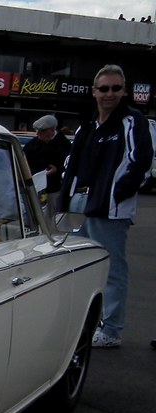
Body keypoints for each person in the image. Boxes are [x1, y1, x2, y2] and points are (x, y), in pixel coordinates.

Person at [59, 64, 153, 349]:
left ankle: (111, 329)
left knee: (112, 269)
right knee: (75, 264)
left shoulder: (132, 122)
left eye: (115, 88)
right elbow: (72, 161)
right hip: (79, 205)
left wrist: (116, 195)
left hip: (110, 209)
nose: (109, 94)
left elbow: (141, 162)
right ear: (94, 91)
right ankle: (81, 320)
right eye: (104, 88)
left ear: (124, 91)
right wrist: (65, 193)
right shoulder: (87, 124)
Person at [23, 114, 71, 199]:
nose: (38, 133)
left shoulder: (64, 145)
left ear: (52, 130)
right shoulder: (32, 144)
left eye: (42, 131)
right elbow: (24, 161)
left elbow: (69, 165)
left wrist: (57, 170)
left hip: (54, 189)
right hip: (35, 187)